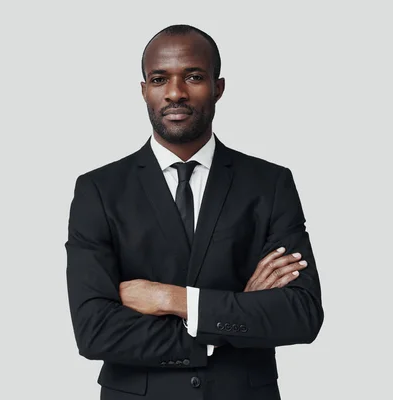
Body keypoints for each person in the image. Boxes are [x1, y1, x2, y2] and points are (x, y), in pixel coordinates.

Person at [65, 24, 324, 400]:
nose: (175, 92)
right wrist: (237, 316)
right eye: (159, 79)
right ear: (144, 91)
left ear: (218, 87)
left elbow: (300, 314)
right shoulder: (98, 190)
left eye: (194, 76)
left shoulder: (269, 184)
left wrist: (172, 299)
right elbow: (95, 331)